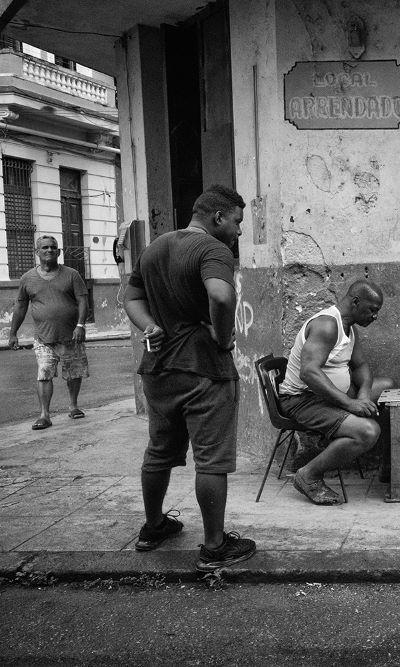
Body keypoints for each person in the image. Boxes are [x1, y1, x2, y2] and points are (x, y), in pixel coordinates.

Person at [123, 184, 256, 572]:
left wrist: (149, 326)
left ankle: (153, 527)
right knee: (212, 460)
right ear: (218, 217)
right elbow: (221, 296)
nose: (238, 232)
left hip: (159, 369)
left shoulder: (154, 248)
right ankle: (215, 547)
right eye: (236, 222)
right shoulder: (213, 250)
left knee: (159, 451)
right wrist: (222, 333)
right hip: (203, 370)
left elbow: (130, 299)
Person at [278, 279, 394, 505]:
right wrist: (350, 404)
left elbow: (361, 366)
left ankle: (388, 465)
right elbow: (309, 373)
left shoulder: (348, 328)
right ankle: (308, 475)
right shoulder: (327, 325)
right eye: (372, 310)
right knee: (368, 431)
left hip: (329, 396)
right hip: (303, 400)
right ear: (355, 302)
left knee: (387, 387)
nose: (375, 316)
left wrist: (362, 395)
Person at [8, 235, 90, 430]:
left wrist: (81, 325)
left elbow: (83, 301)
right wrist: (13, 333)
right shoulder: (27, 278)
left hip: (71, 336)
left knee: (74, 373)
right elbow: (20, 306)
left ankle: (74, 406)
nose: (49, 250)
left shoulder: (71, 274)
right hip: (44, 337)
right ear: (37, 252)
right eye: (44, 247)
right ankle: (44, 415)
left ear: (59, 252)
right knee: (44, 373)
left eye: (53, 247)